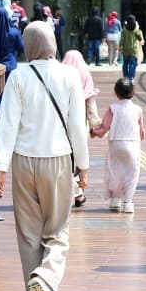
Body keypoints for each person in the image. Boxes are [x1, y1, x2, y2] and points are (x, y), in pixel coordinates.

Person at [0, 21, 90, 291]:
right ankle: (46, 278)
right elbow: (77, 124)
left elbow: (7, 124)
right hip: (58, 161)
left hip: (23, 161)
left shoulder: (18, 76)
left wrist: (0, 166)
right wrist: (83, 163)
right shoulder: (69, 75)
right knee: (57, 231)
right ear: (53, 43)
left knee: (28, 234)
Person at [91, 77, 145, 213]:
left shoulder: (113, 108)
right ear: (133, 92)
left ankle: (115, 200)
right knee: (132, 173)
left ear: (116, 93)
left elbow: (104, 127)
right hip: (133, 143)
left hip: (115, 143)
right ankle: (128, 202)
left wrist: (94, 132)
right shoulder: (138, 109)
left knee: (114, 170)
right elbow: (141, 131)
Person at [62, 49, 102, 208]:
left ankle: (69, 192)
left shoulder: (60, 74)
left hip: (60, 125)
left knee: (64, 161)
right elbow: (91, 106)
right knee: (79, 162)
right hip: (80, 126)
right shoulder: (85, 76)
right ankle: (78, 194)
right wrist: (95, 126)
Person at [119, 15, 143, 80]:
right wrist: (141, 40)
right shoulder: (135, 30)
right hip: (133, 50)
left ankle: (125, 76)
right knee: (132, 64)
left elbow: (122, 40)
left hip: (125, 50)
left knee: (125, 63)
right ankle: (131, 77)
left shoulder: (124, 30)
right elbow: (140, 38)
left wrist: (120, 46)